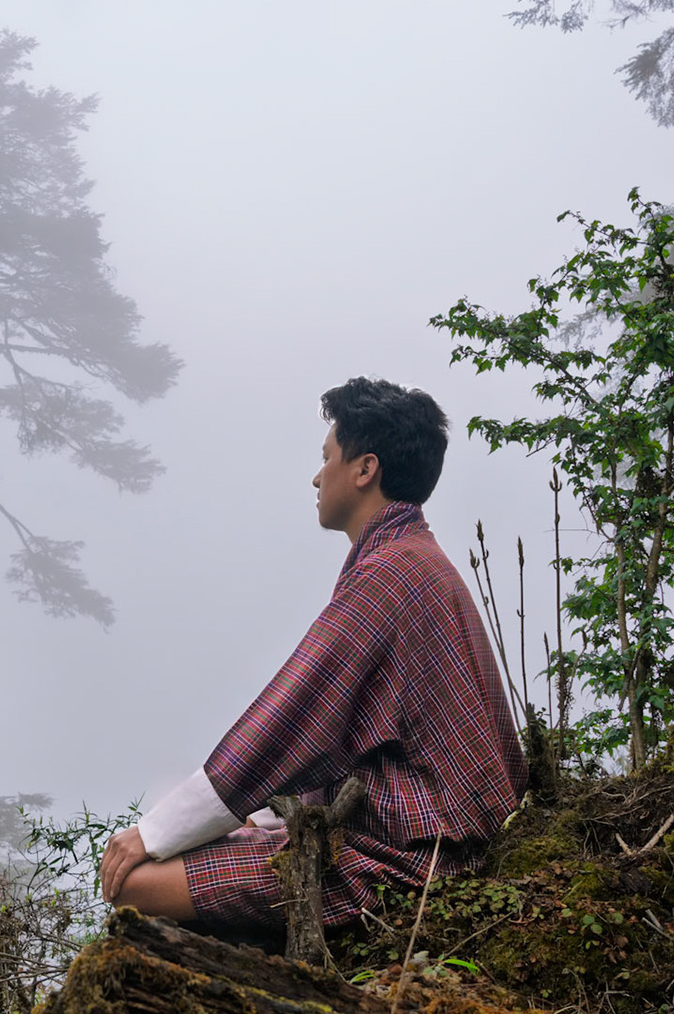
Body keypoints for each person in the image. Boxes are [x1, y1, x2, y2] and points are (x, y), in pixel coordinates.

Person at [99, 377, 526, 934]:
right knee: (221, 834)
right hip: (432, 842)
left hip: (411, 866)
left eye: (327, 458)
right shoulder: (417, 559)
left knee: (135, 883)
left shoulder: (389, 576)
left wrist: (150, 834)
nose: (317, 475)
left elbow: (289, 719)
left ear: (364, 468)